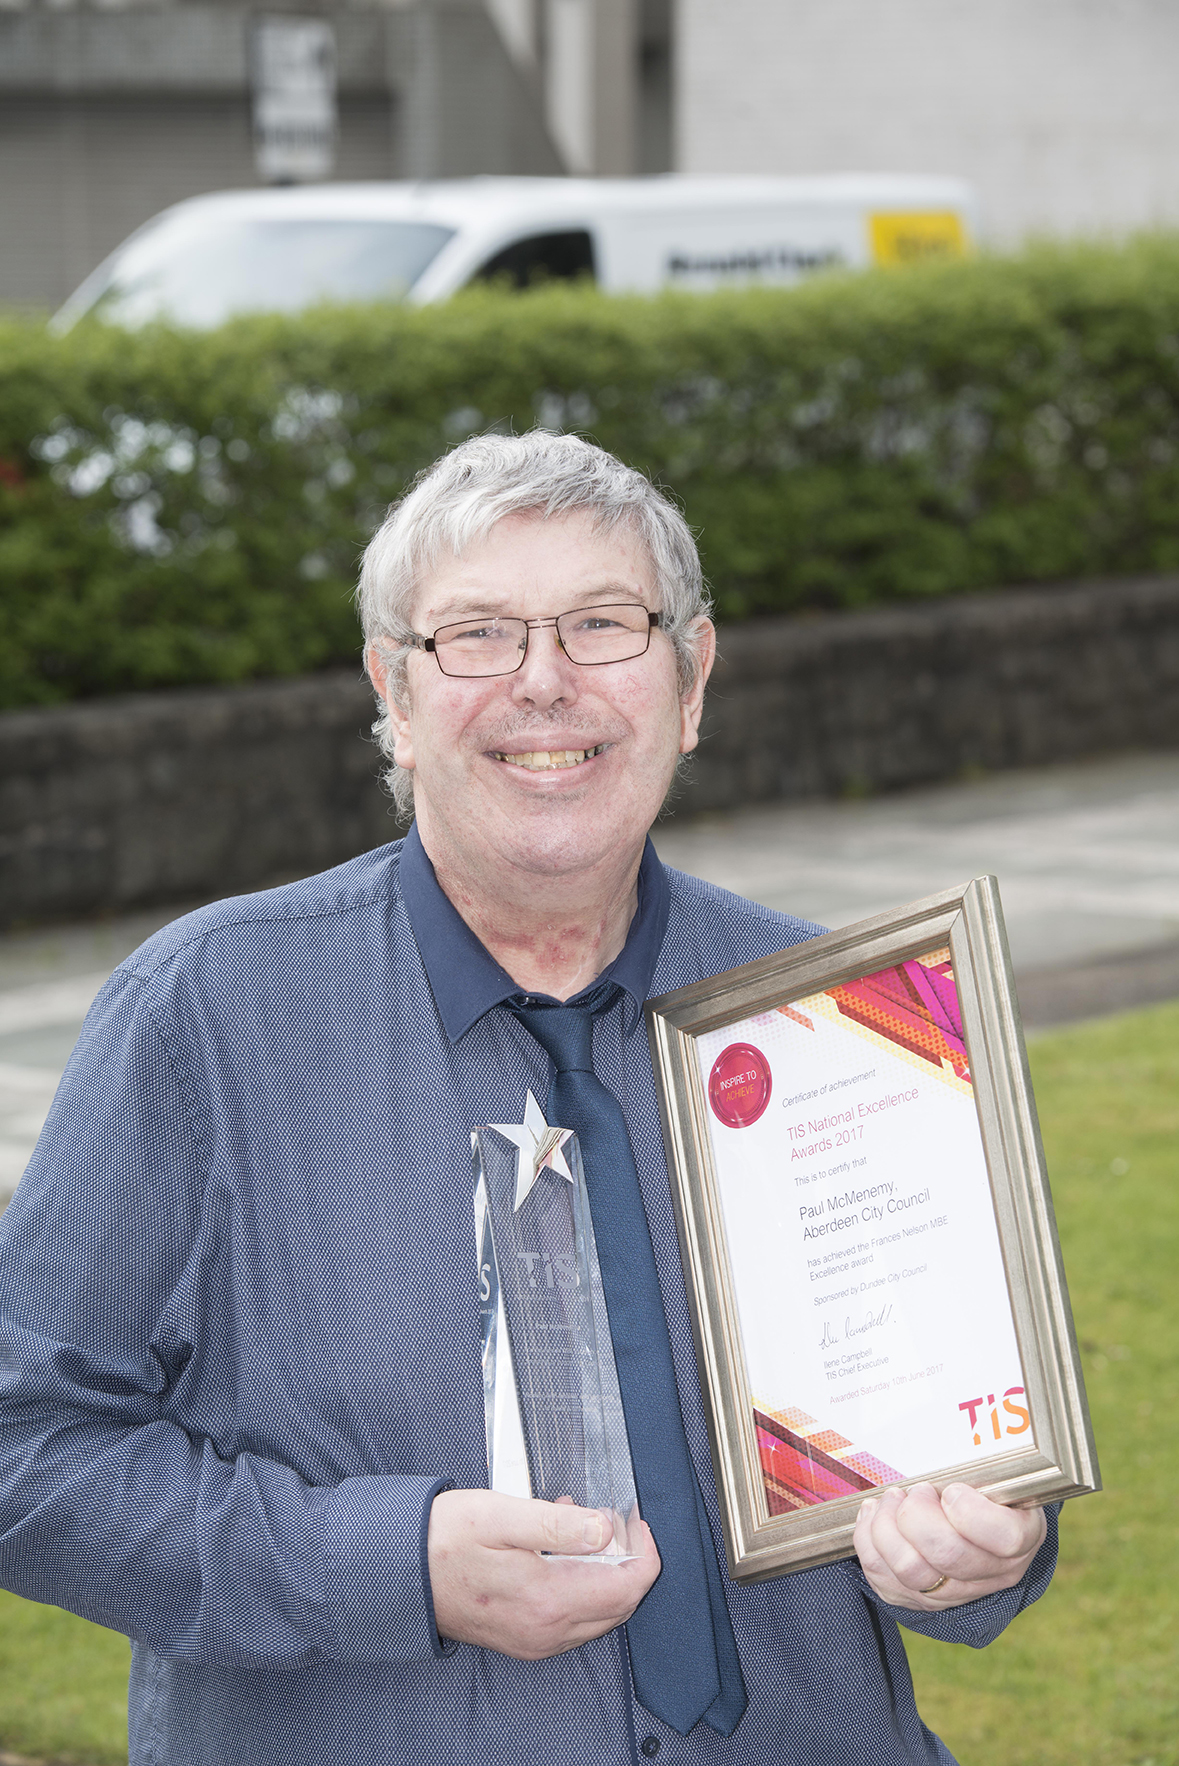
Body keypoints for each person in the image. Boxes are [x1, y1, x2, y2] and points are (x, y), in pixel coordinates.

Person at [0, 432, 1054, 1766]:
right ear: (394, 693)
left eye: (603, 624)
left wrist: (983, 1546)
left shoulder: (853, 1020)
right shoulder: (201, 1015)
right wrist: (389, 1564)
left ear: (692, 679)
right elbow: (26, 1451)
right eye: (479, 635)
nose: (545, 682)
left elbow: (964, 1433)